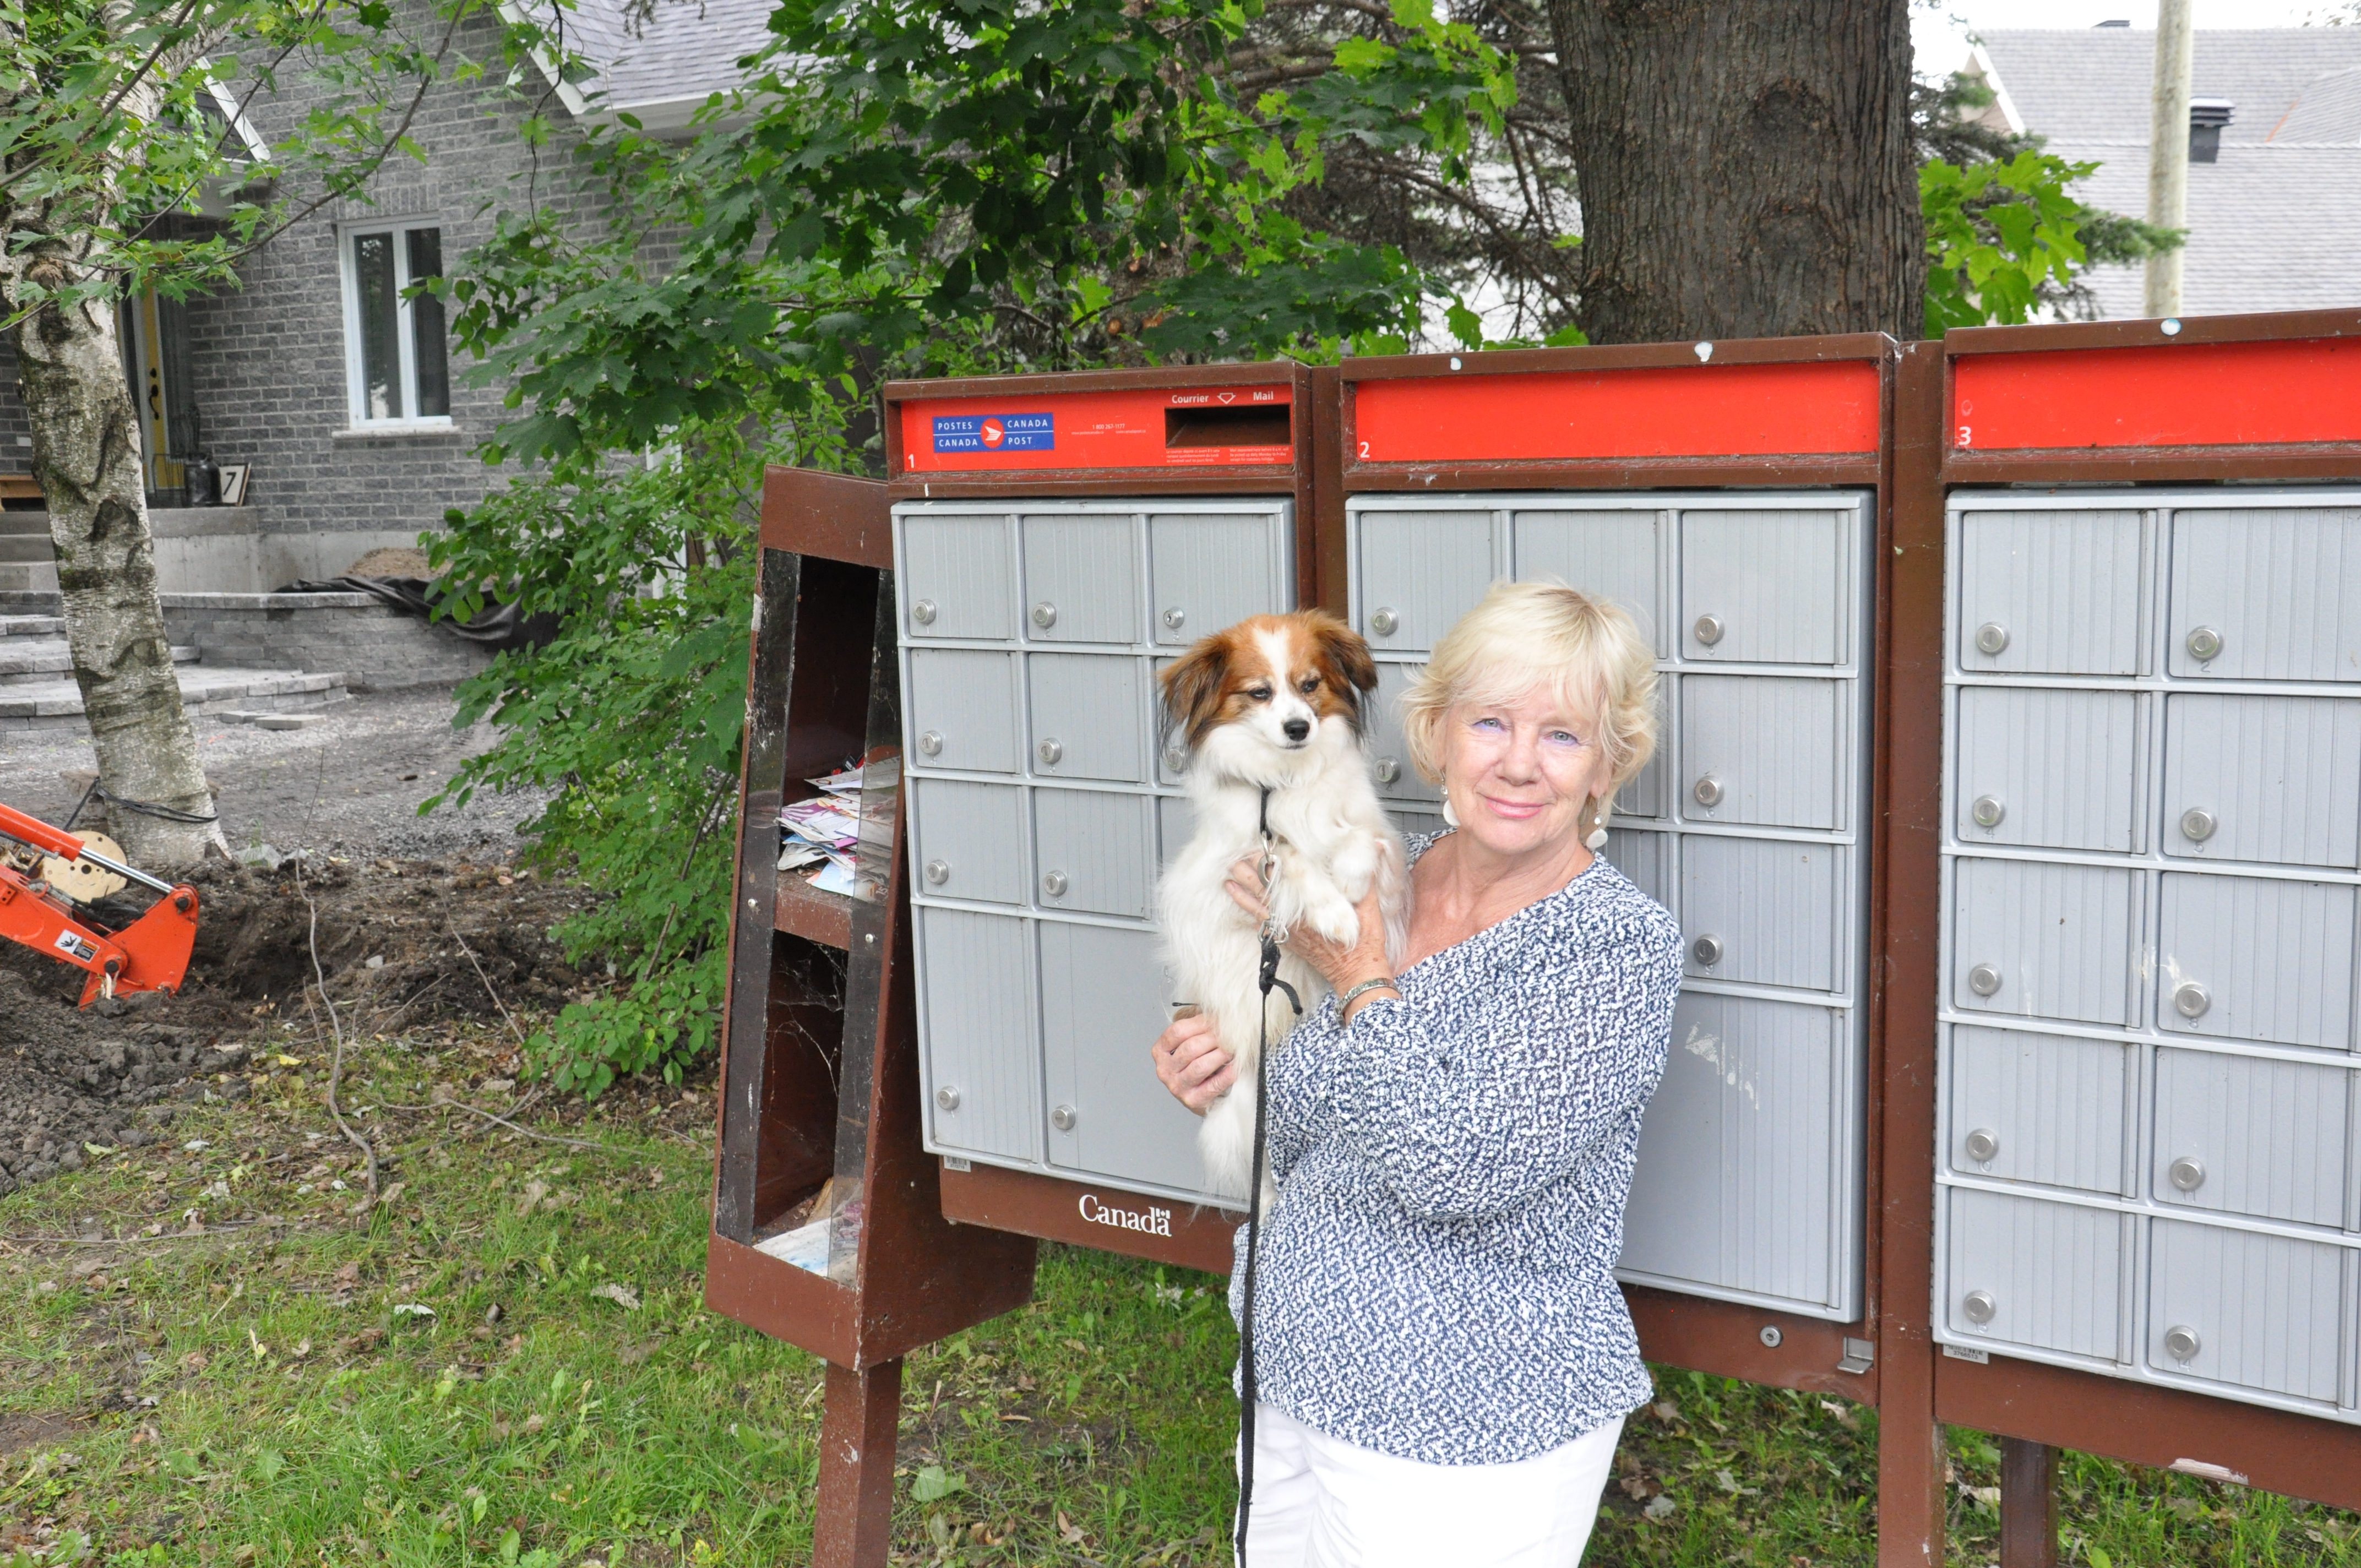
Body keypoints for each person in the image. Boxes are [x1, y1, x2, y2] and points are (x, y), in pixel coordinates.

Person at [1150, 580, 1683, 1567]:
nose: (1519, 763)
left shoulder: (1615, 947)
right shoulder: (1388, 871)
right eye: (1490, 722)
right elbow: (1303, 1107)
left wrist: (1357, 975)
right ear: (1437, 733)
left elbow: (1456, 1170)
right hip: (1293, 1368)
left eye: (1563, 736)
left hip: (1469, 1420)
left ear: (1610, 764)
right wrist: (1215, 1037)